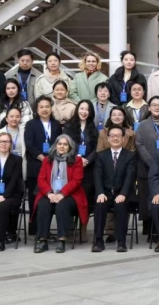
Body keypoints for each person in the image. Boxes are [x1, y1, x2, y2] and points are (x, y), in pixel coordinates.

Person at [33, 134, 88, 253]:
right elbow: (41, 179)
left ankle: (61, 240)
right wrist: (49, 194)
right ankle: (42, 240)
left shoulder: (77, 160)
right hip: (49, 193)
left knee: (62, 205)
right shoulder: (47, 160)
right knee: (43, 204)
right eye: (59, 144)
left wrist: (62, 194)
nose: (62, 146)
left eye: (65, 144)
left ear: (70, 147)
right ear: (55, 145)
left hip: (70, 194)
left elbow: (76, 181)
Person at [92, 126, 136, 252]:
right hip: (105, 193)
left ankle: (121, 241)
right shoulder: (101, 155)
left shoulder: (130, 156)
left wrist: (123, 194)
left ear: (123, 139)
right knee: (100, 205)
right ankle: (98, 240)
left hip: (122, 193)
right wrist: (100, 193)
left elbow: (130, 177)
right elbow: (97, 175)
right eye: (112, 136)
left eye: (118, 136)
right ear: (108, 138)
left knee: (121, 206)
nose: (115, 138)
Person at [135, 96, 159, 237]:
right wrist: (152, 162)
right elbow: (139, 144)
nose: (157, 107)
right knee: (147, 198)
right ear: (149, 108)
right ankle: (149, 230)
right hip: (145, 168)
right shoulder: (142, 125)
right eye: (154, 105)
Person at [24, 96, 63, 235]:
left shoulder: (56, 124)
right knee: (35, 198)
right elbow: (29, 145)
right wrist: (42, 158)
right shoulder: (31, 124)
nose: (44, 109)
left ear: (51, 108)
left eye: (47, 106)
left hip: (53, 166)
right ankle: (35, 230)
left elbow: (60, 143)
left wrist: (51, 159)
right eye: (41, 107)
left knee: (50, 198)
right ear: (37, 109)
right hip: (36, 165)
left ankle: (47, 229)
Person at [63, 100, 99, 240]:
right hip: (71, 165)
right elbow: (65, 145)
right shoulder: (68, 126)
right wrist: (77, 159)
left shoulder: (93, 128)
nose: (84, 112)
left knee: (86, 198)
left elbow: (96, 148)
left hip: (88, 168)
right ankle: (70, 228)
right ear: (77, 109)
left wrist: (87, 160)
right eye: (82, 108)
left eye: (87, 109)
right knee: (71, 195)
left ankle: (83, 229)